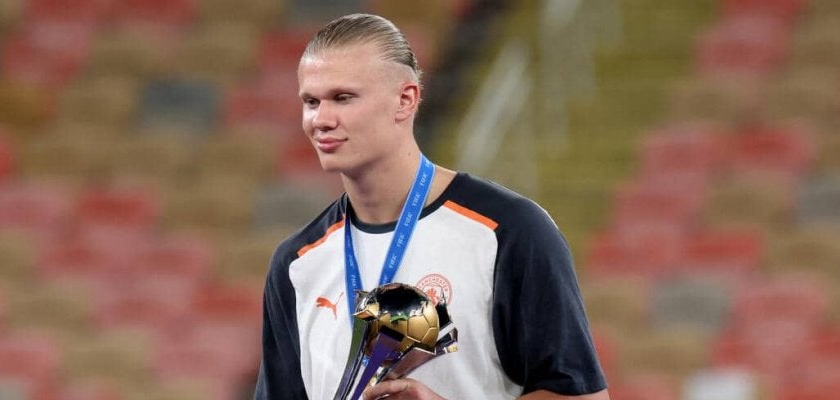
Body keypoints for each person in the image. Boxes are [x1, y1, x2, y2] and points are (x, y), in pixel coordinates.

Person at [255, 13, 609, 400]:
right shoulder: (297, 262)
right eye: (311, 101)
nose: (321, 120)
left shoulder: (508, 231)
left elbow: (584, 397)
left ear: (405, 99)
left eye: (343, 98)